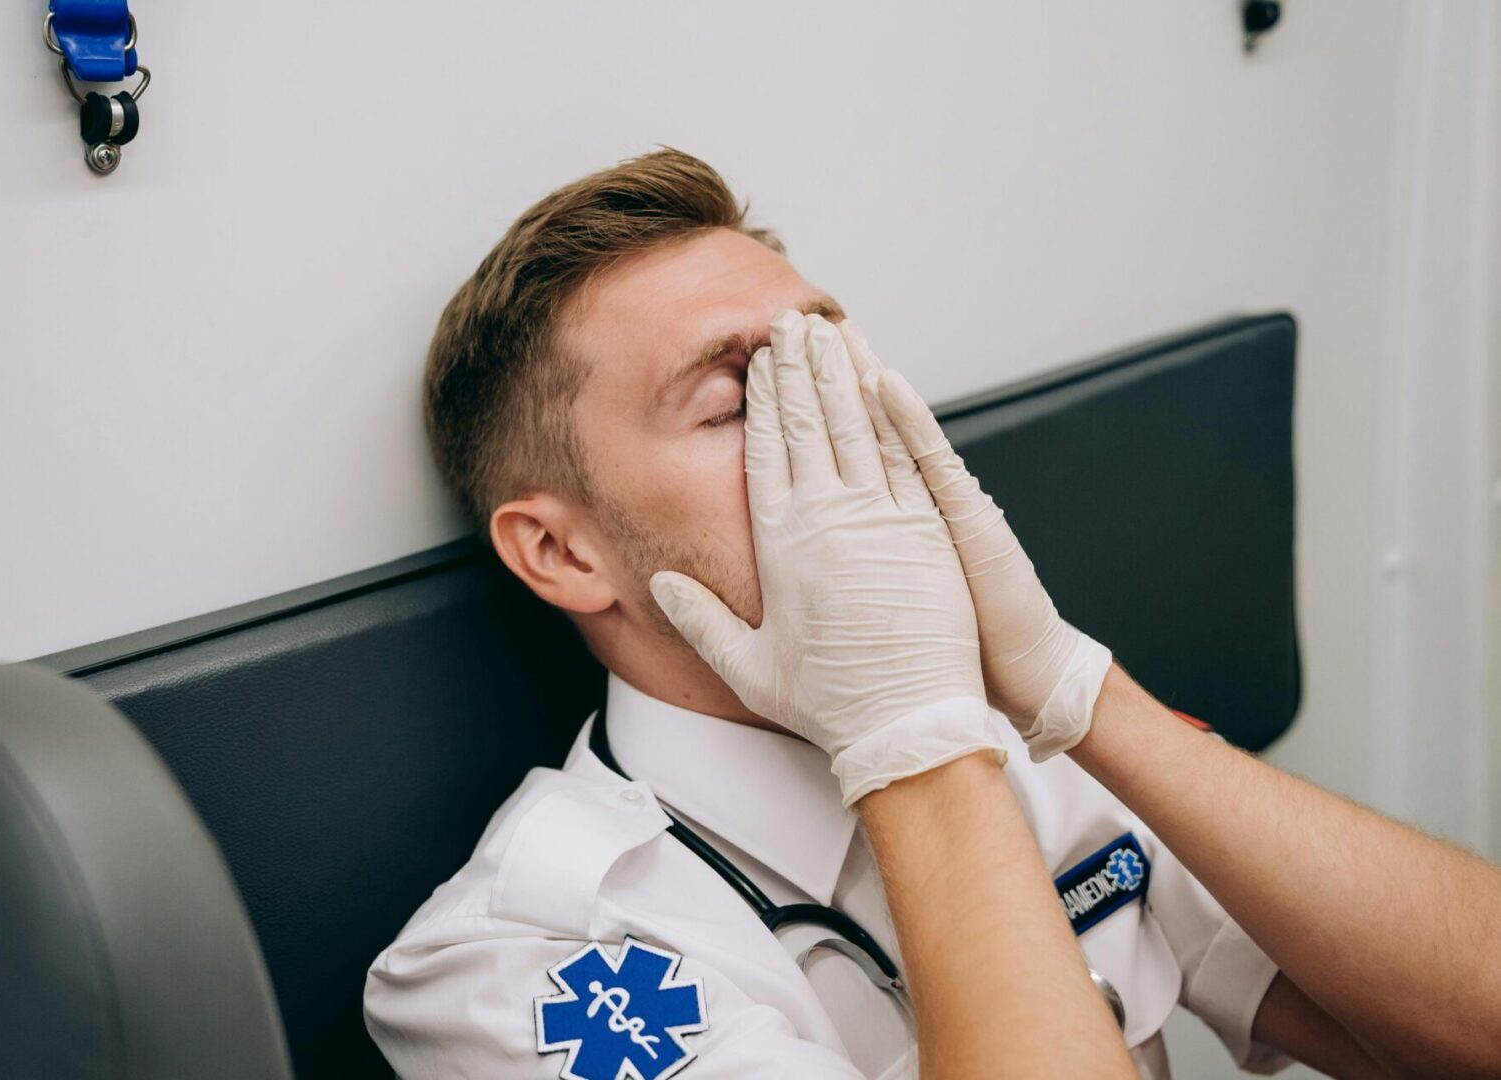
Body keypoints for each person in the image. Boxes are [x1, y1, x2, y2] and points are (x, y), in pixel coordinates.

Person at [363, 149, 1385, 1078]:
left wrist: (1082, 691)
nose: (839, 427)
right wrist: (909, 740)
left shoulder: (1029, 741)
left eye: (830, 367)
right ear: (564, 553)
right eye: (731, 405)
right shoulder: (507, 966)